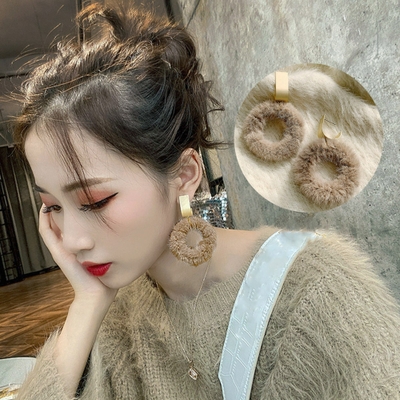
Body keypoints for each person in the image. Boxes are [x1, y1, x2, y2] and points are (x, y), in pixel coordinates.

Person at [13, 3, 400, 399]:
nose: (72, 240)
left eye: (95, 201)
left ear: (184, 176)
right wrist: (87, 304)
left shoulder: (317, 289)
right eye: (53, 206)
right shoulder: (116, 317)